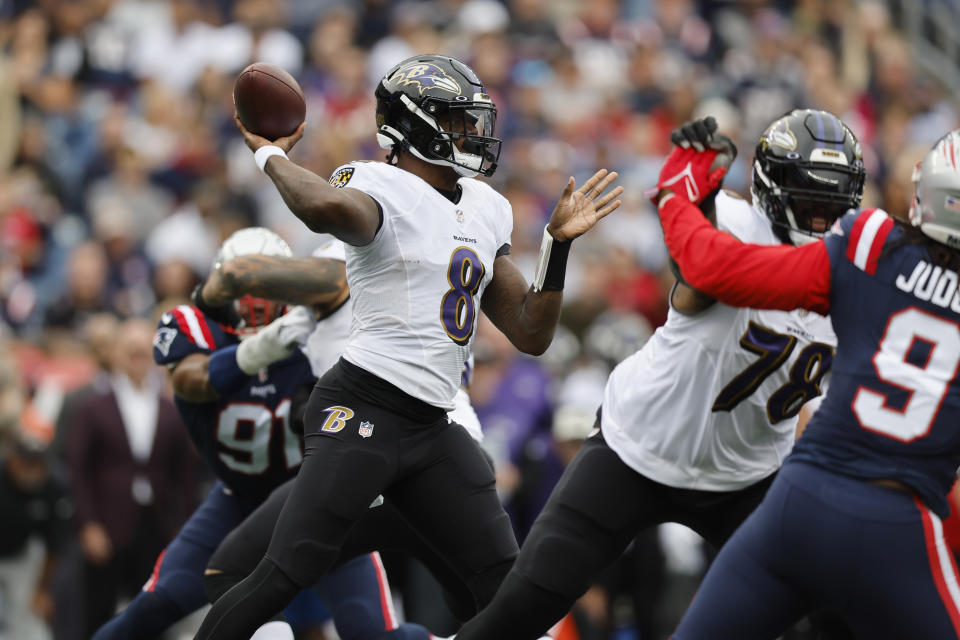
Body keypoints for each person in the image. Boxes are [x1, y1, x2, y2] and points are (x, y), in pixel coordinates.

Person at [194, 53, 622, 640]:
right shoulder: (376, 183)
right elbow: (323, 207)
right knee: (284, 572)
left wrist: (556, 246)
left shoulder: (487, 208)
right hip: (363, 404)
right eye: (458, 121)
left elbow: (531, 331)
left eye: (474, 121)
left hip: (431, 422)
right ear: (414, 126)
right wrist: (270, 153)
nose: (473, 135)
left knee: (511, 593)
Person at [449, 109, 865, 640]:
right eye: (811, 200)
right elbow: (698, 269)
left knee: (834, 612)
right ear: (772, 188)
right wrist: (697, 197)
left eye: (836, 201)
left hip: (747, 473)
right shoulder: (735, 224)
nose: (824, 218)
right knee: (524, 608)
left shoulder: (857, 267)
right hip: (638, 450)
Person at [655, 129, 960, 638]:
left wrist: (673, 190)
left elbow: (713, 267)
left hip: (799, 503)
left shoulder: (873, 245)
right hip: (898, 528)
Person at [93, 227, 434, 640]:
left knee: (370, 632)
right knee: (153, 606)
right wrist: (260, 350)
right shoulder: (193, 325)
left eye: (266, 283)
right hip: (236, 499)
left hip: (317, 498)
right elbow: (189, 380)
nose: (255, 299)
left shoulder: (317, 328)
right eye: (243, 284)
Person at [65, 317, 198, 637]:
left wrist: (185, 524)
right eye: (131, 351)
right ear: (116, 354)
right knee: (97, 609)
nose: (137, 358)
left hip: (157, 524)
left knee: (154, 609)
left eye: (143, 352)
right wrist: (88, 524)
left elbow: (185, 473)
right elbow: (78, 469)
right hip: (108, 524)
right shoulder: (94, 405)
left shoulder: (168, 407)